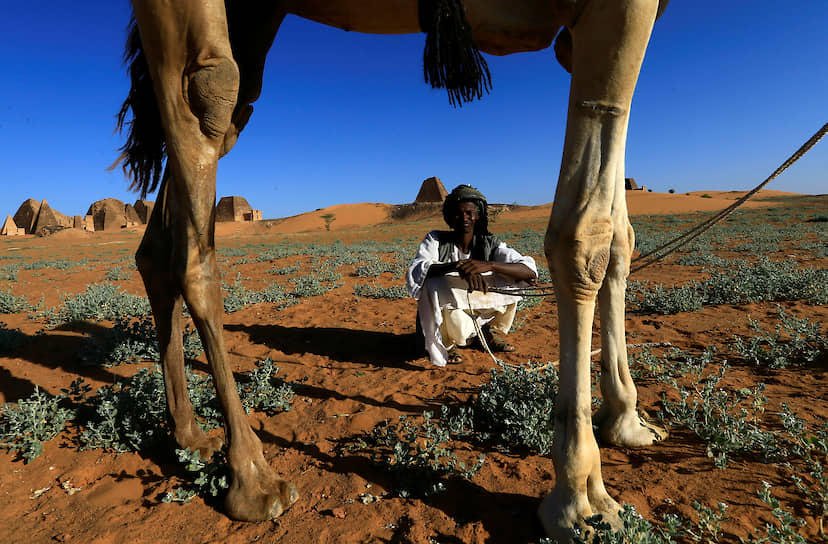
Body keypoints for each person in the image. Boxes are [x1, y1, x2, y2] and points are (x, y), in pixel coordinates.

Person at [406, 184, 537, 366]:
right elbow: (418, 269)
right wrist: (459, 267)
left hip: (476, 302)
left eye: (469, 213)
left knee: (513, 280)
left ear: (478, 215)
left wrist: (488, 265)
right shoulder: (435, 239)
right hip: (451, 308)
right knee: (434, 283)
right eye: (458, 213)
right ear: (450, 217)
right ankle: (446, 342)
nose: (464, 218)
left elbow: (528, 270)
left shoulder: (490, 243)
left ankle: (485, 332)